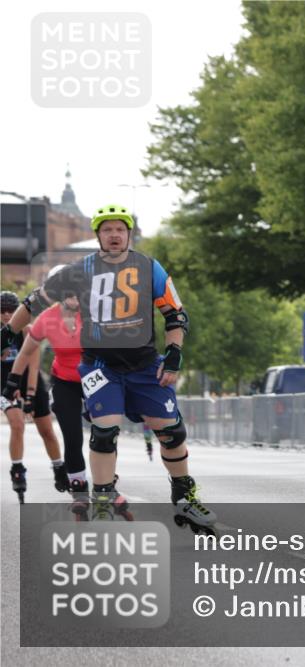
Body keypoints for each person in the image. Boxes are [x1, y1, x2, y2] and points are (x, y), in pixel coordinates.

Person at [13, 203, 215, 532]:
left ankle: (184, 498)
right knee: (105, 432)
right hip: (101, 367)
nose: (114, 235)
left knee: (172, 432)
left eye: (120, 229)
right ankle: (104, 502)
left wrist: (174, 354)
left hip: (145, 365)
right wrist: (8, 331)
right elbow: (33, 302)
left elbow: (175, 315)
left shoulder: (150, 268)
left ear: (129, 234)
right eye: (107, 230)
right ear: (98, 237)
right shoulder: (80, 271)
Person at [1, 290, 68, 502]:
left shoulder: (27, 330)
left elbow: (33, 365)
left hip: (30, 381)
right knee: (17, 423)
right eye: (2, 311)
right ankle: (17, 468)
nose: (7, 315)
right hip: (5, 384)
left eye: (11, 311)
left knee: (47, 430)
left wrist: (30, 396)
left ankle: (58, 467)